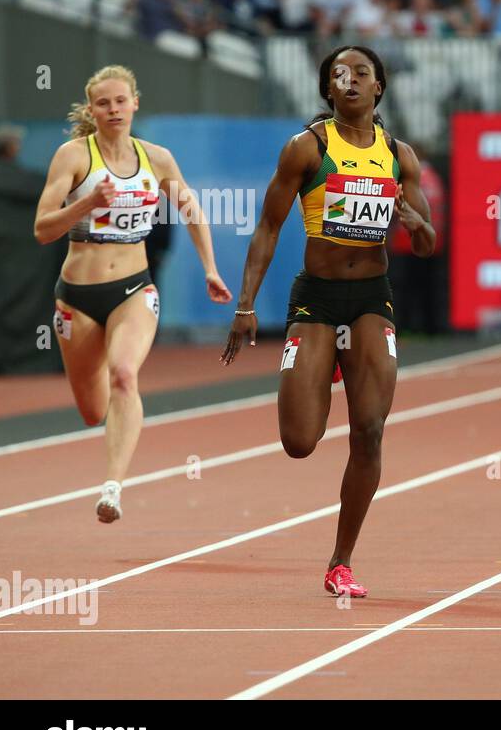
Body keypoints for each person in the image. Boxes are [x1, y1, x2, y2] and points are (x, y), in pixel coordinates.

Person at [221, 46, 437, 598]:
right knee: (299, 440)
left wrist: (413, 220)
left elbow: (430, 242)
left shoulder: (399, 155)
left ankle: (341, 561)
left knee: (368, 429)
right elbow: (268, 227)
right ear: (328, 91)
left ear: (379, 87)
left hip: (370, 299)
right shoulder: (306, 149)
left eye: (360, 73)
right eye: (337, 75)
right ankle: (326, 368)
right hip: (316, 301)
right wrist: (246, 306)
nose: (349, 81)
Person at [33, 65, 231, 522]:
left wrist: (210, 269)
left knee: (125, 374)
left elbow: (192, 211)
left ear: (135, 103)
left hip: (134, 288)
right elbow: (43, 229)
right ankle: (98, 368)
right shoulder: (73, 156)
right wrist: (86, 204)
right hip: (77, 296)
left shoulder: (157, 158)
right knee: (91, 410)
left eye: (121, 101)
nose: (113, 109)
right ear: (92, 109)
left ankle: (112, 488)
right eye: (104, 103)